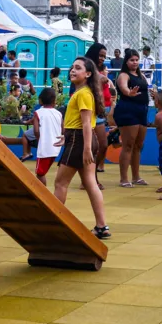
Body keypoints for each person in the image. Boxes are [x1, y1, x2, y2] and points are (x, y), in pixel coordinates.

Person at [53, 57, 110, 238]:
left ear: (88, 74)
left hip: (81, 140)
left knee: (60, 183)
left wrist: (85, 148)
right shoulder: (81, 92)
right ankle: (102, 226)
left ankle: (55, 222)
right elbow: (79, 122)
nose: (73, 70)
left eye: (78, 68)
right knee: (90, 183)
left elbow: (86, 124)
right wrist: (66, 136)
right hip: (79, 139)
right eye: (72, 67)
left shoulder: (84, 93)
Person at [114, 49, 149, 187]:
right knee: (128, 145)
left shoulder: (141, 75)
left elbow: (146, 89)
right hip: (128, 111)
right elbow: (123, 88)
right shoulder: (123, 75)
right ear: (126, 61)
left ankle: (136, 176)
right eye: (132, 60)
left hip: (142, 111)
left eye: (136, 60)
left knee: (138, 146)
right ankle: (124, 178)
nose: (135, 62)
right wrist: (130, 92)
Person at [83, 43, 113, 181]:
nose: (102, 58)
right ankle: (90, 178)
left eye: (104, 56)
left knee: (103, 144)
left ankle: (91, 175)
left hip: (99, 113)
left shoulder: (100, 70)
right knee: (91, 146)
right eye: (100, 55)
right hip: (87, 111)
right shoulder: (86, 68)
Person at [32, 88, 63, 185]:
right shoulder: (58, 113)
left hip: (45, 148)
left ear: (40, 100)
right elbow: (63, 128)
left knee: (40, 173)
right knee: (43, 171)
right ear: (54, 101)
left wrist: (39, 139)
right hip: (56, 147)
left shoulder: (38, 113)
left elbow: (36, 130)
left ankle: (42, 195)